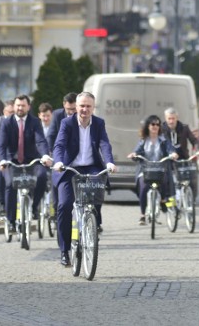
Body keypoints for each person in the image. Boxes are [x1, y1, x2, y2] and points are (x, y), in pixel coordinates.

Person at [52, 92, 116, 266]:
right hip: (70, 167)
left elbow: (105, 144)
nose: (84, 110)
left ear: (93, 108)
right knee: (64, 206)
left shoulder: (99, 123)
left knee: (96, 195)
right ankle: (65, 250)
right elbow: (60, 144)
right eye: (82, 106)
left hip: (92, 166)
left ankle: (92, 228)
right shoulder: (67, 123)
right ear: (76, 107)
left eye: (88, 106)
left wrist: (109, 162)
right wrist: (58, 162)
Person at [0, 95, 51, 233]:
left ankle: (34, 208)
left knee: (42, 177)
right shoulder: (7, 122)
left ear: (28, 107)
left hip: (32, 160)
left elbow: (40, 140)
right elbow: (1, 145)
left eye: (23, 105)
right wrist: (2, 159)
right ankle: (11, 220)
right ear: (14, 107)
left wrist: (44, 155)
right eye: (18, 105)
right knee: (10, 185)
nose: (20, 108)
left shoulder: (35, 122)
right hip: (11, 161)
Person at [128, 115, 178, 225]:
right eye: (153, 124)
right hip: (145, 170)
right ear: (148, 126)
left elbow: (170, 149)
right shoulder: (143, 140)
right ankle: (142, 215)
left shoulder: (164, 140)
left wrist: (173, 154)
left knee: (165, 181)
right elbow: (137, 150)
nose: (155, 126)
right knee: (143, 187)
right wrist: (134, 154)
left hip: (160, 169)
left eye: (158, 124)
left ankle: (163, 200)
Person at [162, 107, 199, 196]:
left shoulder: (184, 128)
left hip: (183, 158)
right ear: (165, 118)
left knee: (192, 179)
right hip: (167, 159)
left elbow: (194, 140)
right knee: (166, 180)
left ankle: (191, 200)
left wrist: (197, 150)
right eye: (169, 119)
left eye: (173, 118)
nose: (171, 121)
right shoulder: (161, 129)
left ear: (177, 118)